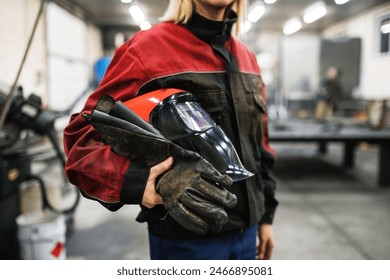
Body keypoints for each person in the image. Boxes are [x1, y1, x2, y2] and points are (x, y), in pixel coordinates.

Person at [63, 0, 278, 260]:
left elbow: (260, 147)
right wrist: (140, 180)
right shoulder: (146, 50)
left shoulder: (247, 59)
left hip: (248, 234)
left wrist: (265, 217)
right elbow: (82, 139)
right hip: (187, 242)